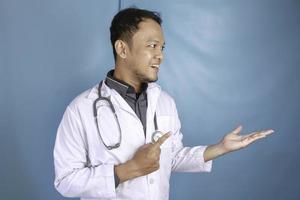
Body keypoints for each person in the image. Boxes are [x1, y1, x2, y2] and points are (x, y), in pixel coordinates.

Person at [53, 7, 274, 200]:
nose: (160, 55)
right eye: (152, 45)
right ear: (122, 49)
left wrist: (219, 148)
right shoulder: (81, 109)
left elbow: (171, 157)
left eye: (162, 47)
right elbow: (65, 181)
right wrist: (128, 170)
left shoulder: (165, 102)